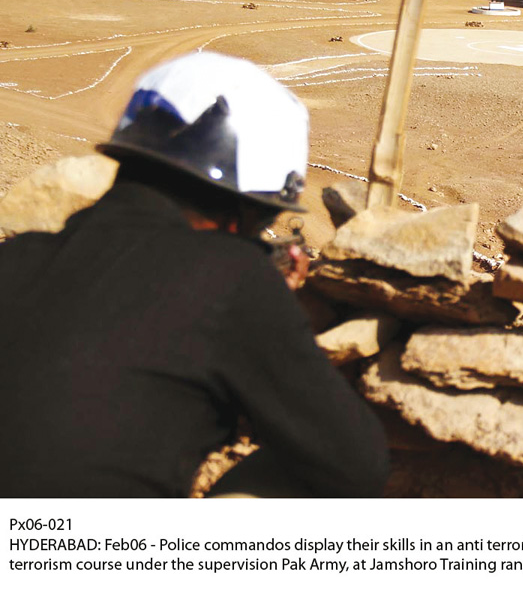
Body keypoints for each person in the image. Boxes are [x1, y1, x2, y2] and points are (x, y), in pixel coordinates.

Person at [0, 52, 389, 497]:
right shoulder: (233, 278)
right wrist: (263, 301)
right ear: (243, 206)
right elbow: (359, 463)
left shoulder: (19, 257)